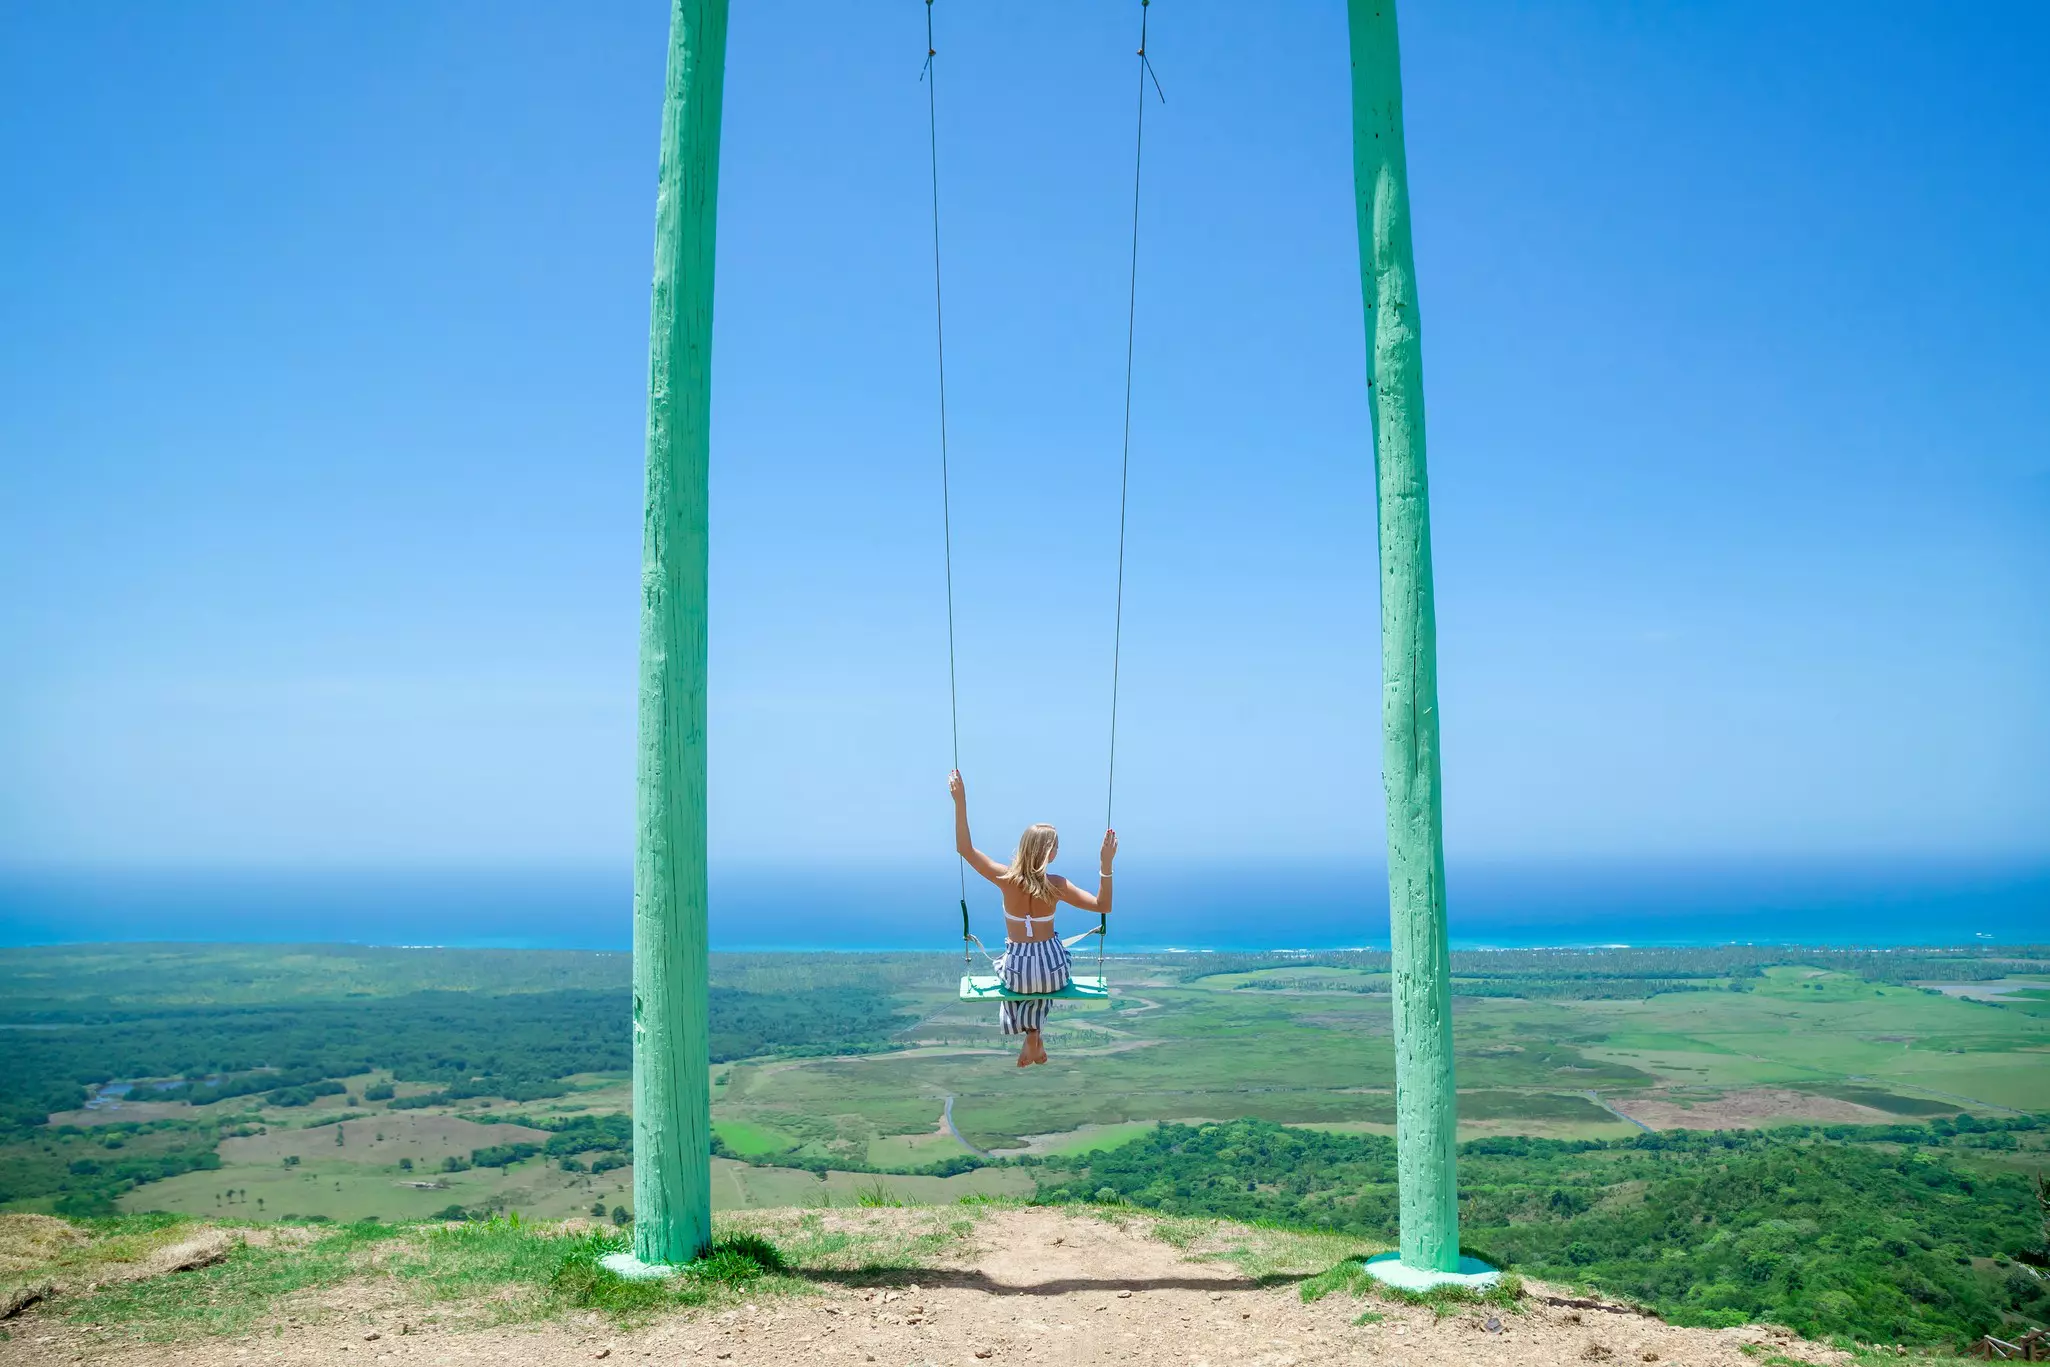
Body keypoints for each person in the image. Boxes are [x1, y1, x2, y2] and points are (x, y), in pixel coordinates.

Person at [948, 770, 1116, 1067]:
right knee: (1046, 972)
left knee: (1015, 974)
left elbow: (965, 849)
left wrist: (959, 800)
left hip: (1018, 969)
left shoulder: (1005, 878)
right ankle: (1034, 1036)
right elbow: (1104, 904)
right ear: (1049, 853)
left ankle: (1031, 1035)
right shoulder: (1058, 885)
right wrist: (1105, 864)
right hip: (1053, 969)